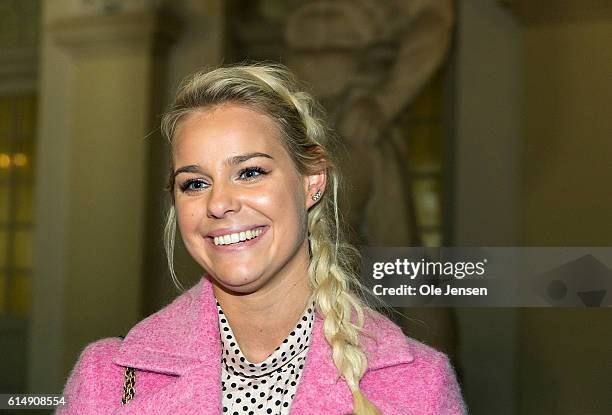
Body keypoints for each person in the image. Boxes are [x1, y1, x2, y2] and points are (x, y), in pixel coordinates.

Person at [57, 63, 466, 415]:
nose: (219, 203)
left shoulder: (419, 385)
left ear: (312, 181)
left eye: (250, 172)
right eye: (195, 183)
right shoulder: (108, 381)